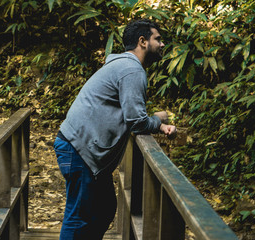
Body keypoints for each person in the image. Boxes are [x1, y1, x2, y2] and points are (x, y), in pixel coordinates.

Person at [53, 19, 177, 240]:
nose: (162, 44)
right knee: (79, 216)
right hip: (79, 149)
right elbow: (137, 122)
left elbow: (130, 116)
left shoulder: (123, 66)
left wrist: (157, 123)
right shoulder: (131, 70)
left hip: (82, 148)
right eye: (158, 39)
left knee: (105, 207)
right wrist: (158, 120)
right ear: (142, 41)